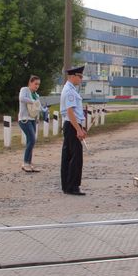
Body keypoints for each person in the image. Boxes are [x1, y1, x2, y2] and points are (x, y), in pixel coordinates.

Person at [60, 65, 87, 196]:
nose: (81, 79)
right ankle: (73, 186)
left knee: (68, 156)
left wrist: (80, 128)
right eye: (80, 76)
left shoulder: (70, 89)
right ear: (72, 76)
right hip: (71, 125)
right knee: (76, 157)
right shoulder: (70, 91)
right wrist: (78, 130)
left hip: (71, 125)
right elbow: (70, 112)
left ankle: (67, 185)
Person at [18, 75, 46, 173]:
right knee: (32, 140)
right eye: (35, 84)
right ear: (30, 83)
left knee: (30, 141)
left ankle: (29, 163)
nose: (37, 86)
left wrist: (39, 115)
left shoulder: (36, 95)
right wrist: (33, 101)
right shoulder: (24, 90)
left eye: (38, 84)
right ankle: (26, 163)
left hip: (33, 119)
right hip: (24, 119)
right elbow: (22, 98)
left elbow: (38, 107)